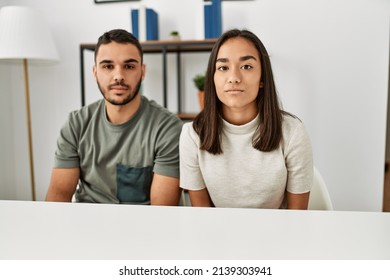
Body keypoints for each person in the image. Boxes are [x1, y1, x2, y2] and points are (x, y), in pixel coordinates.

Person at [46, 29, 183, 205]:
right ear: (95, 72)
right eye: (108, 66)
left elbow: (162, 211)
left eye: (129, 66)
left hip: (143, 228)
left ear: (142, 72)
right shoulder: (76, 124)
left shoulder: (167, 128)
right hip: (86, 225)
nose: (118, 76)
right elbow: (57, 199)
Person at [180, 29, 313, 209]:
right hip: (218, 234)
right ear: (213, 78)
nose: (234, 78)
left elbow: (297, 217)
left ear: (262, 79)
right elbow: (203, 216)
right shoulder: (192, 134)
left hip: (277, 234)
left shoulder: (292, 132)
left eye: (247, 67)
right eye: (223, 68)